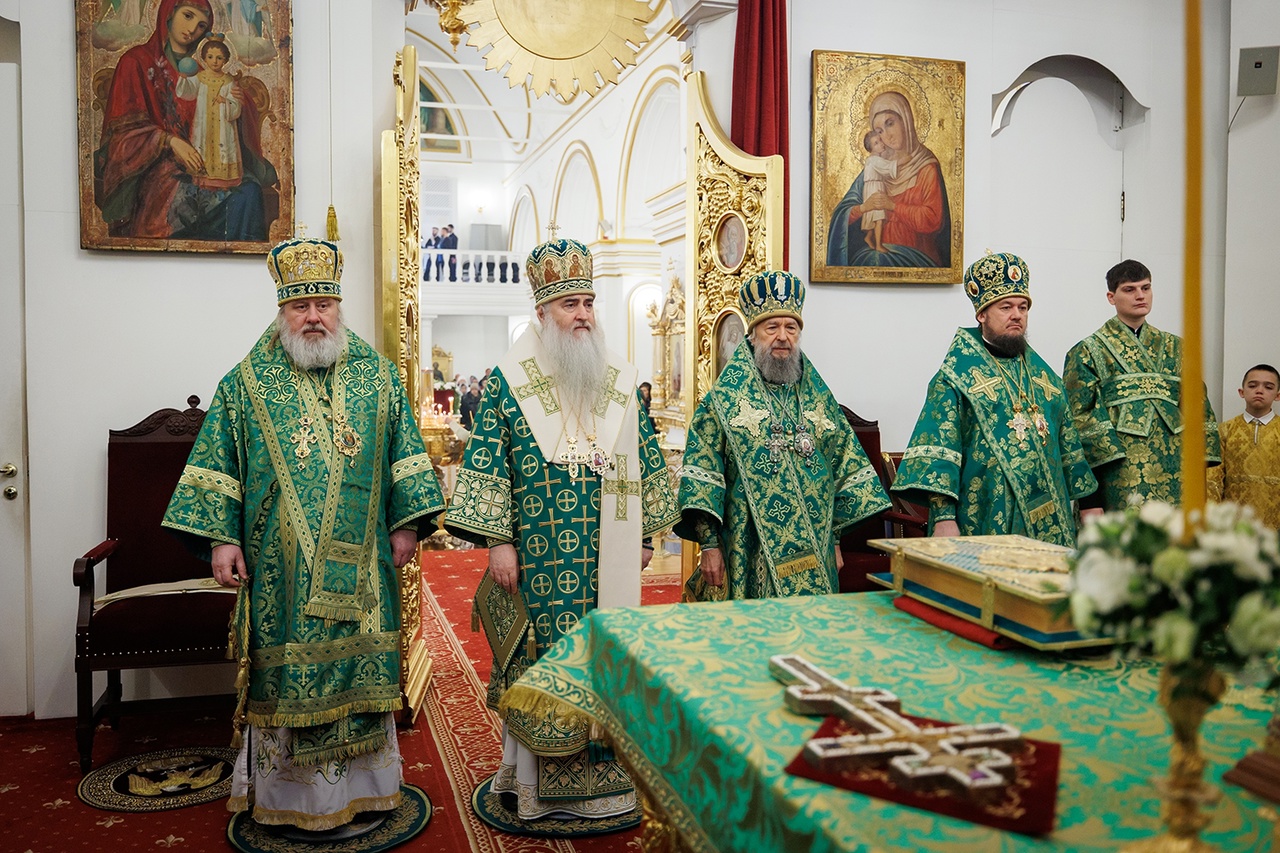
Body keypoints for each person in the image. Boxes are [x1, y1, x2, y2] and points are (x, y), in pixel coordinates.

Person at [161, 236, 446, 832]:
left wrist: (407, 525)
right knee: (287, 682)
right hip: (280, 580)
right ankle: (291, 803)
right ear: (282, 311)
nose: (313, 315)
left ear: (338, 307)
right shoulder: (246, 382)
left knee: (363, 677)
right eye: (300, 306)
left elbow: (405, 456)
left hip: (364, 569)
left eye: (323, 303)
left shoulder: (379, 376)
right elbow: (219, 463)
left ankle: (365, 795)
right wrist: (222, 539)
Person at [444, 236, 679, 823]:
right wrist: (498, 541)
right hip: (538, 558)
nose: (582, 315)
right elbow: (488, 462)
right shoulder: (510, 381)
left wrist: (647, 533)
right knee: (541, 660)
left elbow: (646, 456)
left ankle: (607, 782)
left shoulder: (618, 379)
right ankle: (533, 783)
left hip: (608, 554)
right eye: (570, 304)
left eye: (588, 302)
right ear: (543, 312)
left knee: (603, 655)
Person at [675, 270, 891, 600]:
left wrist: (834, 539)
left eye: (791, 327)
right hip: (747, 548)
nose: (782, 337)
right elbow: (703, 478)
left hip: (815, 546)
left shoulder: (818, 398)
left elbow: (844, 469)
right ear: (753, 335)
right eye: (771, 327)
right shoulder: (723, 401)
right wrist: (709, 546)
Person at [892, 251, 1097, 547]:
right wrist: (944, 518)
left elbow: (1069, 447)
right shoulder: (955, 377)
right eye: (1006, 307)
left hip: (1052, 519)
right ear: (982, 314)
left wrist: (1088, 503)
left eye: (1023, 307)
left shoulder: (1045, 379)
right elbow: (940, 452)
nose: (1017, 315)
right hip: (985, 515)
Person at [95, 0, 277, 241]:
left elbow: (228, 111)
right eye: (188, 16)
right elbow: (122, 133)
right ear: (168, 14)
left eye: (201, 25)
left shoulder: (207, 70)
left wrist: (238, 102)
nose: (192, 29)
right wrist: (169, 141)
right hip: (156, 165)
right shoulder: (136, 62)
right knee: (182, 195)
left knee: (249, 191)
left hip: (211, 158)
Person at [1063, 259, 1220, 515]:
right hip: (1121, 473)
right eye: (1130, 289)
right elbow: (1080, 423)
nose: (1140, 296)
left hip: (1177, 470)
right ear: (1111, 297)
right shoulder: (1088, 351)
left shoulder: (1176, 348)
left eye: (1146, 288)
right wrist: (1091, 501)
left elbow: (1198, 408)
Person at [825, 90, 951, 269]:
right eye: (879, 131)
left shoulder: (926, 167)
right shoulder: (875, 168)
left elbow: (933, 220)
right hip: (877, 259)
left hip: (917, 261)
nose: (887, 136)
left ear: (906, 120)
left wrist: (892, 206)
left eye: (890, 123)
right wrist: (863, 208)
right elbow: (842, 213)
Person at [1208, 364, 1280, 528]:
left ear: (1278, 395)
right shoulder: (1225, 430)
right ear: (1242, 392)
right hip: (1233, 523)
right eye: (1253, 385)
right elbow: (1213, 479)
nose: (1259, 390)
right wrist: (1213, 517)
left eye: (1268, 387)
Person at [175, 36, 242, 190]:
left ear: (225, 60)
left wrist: (225, 101)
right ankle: (203, 181)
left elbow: (235, 105)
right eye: (210, 57)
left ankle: (223, 183)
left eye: (219, 58)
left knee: (223, 147)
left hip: (223, 125)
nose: (215, 61)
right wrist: (184, 80)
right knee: (203, 146)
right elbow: (188, 93)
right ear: (204, 58)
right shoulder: (200, 77)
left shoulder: (228, 80)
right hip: (204, 124)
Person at [859, 129, 896, 253]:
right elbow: (888, 167)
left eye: (880, 140)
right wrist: (902, 162)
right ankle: (879, 245)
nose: (881, 143)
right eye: (876, 143)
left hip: (873, 187)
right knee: (879, 217)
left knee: (873, 216)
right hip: (875, 189)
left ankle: (868, 237)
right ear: (871, 149)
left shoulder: (873, 159)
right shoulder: (875, 160)